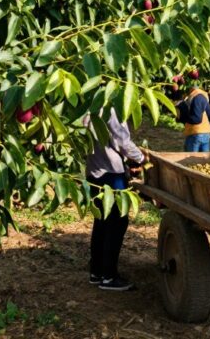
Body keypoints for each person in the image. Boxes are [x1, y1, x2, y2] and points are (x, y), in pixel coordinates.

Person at [84, 107, 146, 291]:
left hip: (93, 171)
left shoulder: (88, 107)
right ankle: (109, 277)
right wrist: (142, 158)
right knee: (117, 223)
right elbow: (123, 143)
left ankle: (96, 272)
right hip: (111, 174)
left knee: (101, 222)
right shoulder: (111, 109)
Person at [177, 83, 210, 152]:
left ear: (191, 89)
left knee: (191, 160)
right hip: (206, 134)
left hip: (195, 133)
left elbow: (196, 119)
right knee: (204, 160)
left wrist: (183, 118)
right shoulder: (204, 96)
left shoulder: (195, 97)